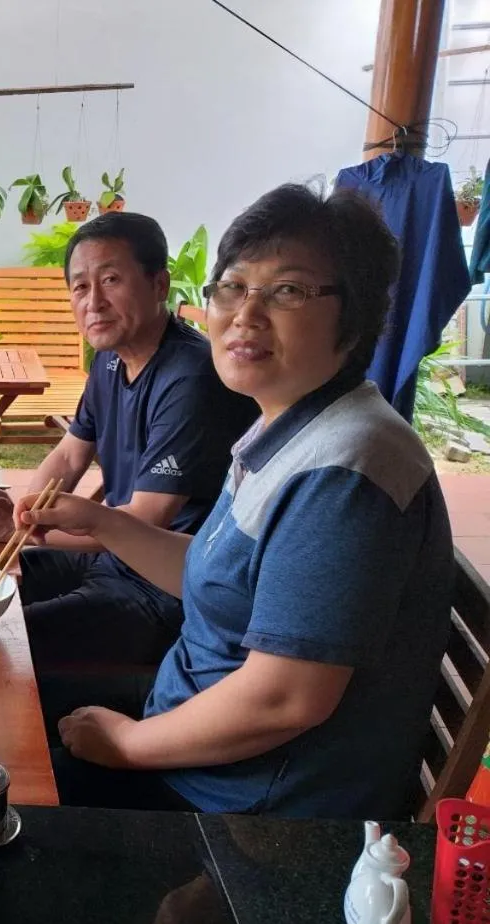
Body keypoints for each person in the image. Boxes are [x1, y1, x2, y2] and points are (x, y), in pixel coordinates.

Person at [23, 184, 453, 819]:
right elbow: (212, 568)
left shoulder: (348, 470)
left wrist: (129, 743)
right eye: (232, 286)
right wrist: (95, 519)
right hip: (196, 727)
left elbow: (285, 699)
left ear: (354, 314)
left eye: (287, 290)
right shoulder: (289, 427)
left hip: (251, 808)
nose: (245, 314)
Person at [0, 212, 256, 666]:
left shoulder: (191, 376)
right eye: (79, 287)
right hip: (113, 556)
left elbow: (147, 519)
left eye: (111, 279)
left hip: (166, 586)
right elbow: (69, 453)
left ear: (159, 284)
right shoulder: (110, 358)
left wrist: (23, 528)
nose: (93, 302)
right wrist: (22, 514)